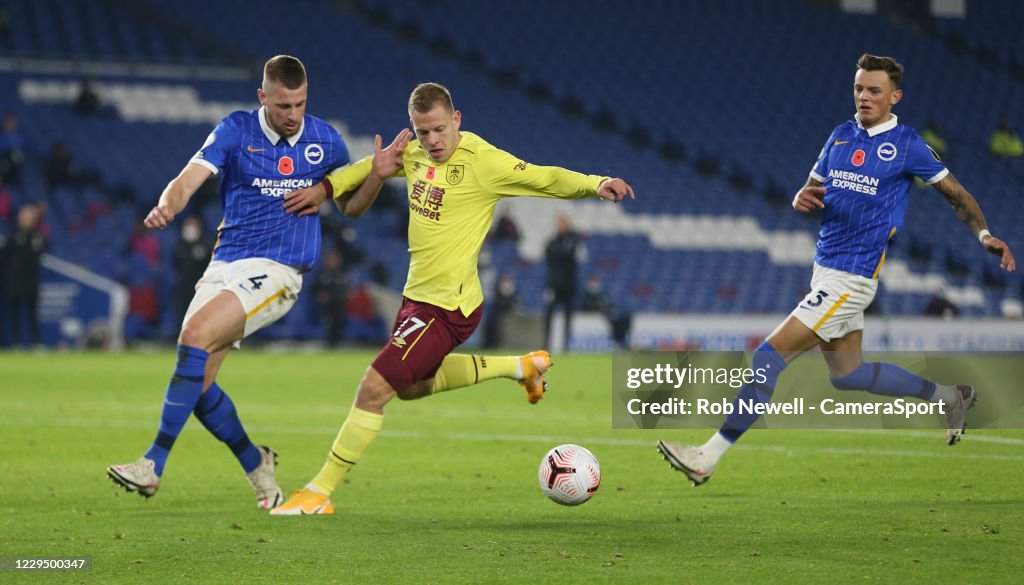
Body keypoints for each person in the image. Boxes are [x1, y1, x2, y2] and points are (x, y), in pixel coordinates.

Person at [271, 82, 634, 514]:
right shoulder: (414, 154)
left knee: (372, 390)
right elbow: (362, 169)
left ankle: (318, 493)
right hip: (416, 300)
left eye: (440, 129)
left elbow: (545, 177)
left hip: (447, 307)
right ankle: (521, 366)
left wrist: (596, 184)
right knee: (409, 389)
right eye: (423, 132)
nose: (433, 141)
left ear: (457, 119)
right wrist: (325, 190)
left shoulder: (484, 162)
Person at [657, 54, 1016, 487]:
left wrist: (984, 236)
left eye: (874, 90)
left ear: (894, 96)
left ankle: (707, 457)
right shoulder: (840, 136)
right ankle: (948, 397)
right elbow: (812, 189)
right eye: (859, 88)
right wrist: (800, 198)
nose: (864, 97)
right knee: (849, 375)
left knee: (770, 357)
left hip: (852, 278)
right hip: (825, 272)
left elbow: (957, 196)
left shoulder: (907, 145)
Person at [106, 55, 351, 509]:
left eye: (299, 104)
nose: (293, 115)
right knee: (196, 386)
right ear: (263, 97)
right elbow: (188, 178)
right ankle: (257, 464)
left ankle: (152, 464)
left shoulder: (326, 139)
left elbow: (353, 202)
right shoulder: (236, 129)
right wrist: (169, 206)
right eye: (283, 106)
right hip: (225, 266)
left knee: (194, 336)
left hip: (279, 270)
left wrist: (343, 185)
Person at [1, 204, 46, 348]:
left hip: (32, 280)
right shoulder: (13, 234)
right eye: (25, 216)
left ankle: (36, 342)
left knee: (33, 313)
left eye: (30, 217)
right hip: (14, 280)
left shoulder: (37, 236)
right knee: (15, 313)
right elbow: (4, 257)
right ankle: (16, 342)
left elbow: (45, 249)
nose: (28, 219)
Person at [544, 215, 586, 351]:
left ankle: (566, 345)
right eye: (559, 223)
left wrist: (560, 253)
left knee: (568, 315)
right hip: (554, 284)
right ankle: (546, 344)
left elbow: (572, 255)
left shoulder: (573, 240)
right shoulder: (553, 241)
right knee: (549, 315)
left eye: (562, 223)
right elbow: (550, 256)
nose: (560, 226)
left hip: (569, 285)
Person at [171, 216, 213, 326]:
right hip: (183, 285)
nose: (190, 229)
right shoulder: (179, 246)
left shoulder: (206, 245)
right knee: (182, 312)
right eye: (188, 226)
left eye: (193, 226)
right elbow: (175, 264)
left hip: (201, 286)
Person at [311, 249, 350, 347]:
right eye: (329, 259)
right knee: (328, 325)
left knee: (337, 325)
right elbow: (312, 290)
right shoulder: (321, 275)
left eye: (334, 259)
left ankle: (336, 344)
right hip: (322, 309)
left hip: (338, 308)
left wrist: (332, 296)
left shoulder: (342, 275)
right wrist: (319, 295)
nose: (331, 262)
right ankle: (328, 344)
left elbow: (346, 291)